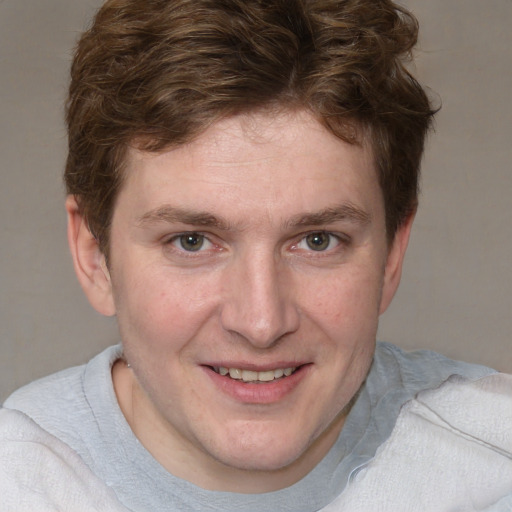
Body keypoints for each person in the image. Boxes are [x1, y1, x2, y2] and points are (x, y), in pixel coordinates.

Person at [1, 0, 511, 510]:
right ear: (95, 255)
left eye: (318, 240)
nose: (261, 323)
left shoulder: (496, 463)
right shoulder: (21, 482)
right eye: (192, 241)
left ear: (393, 253)